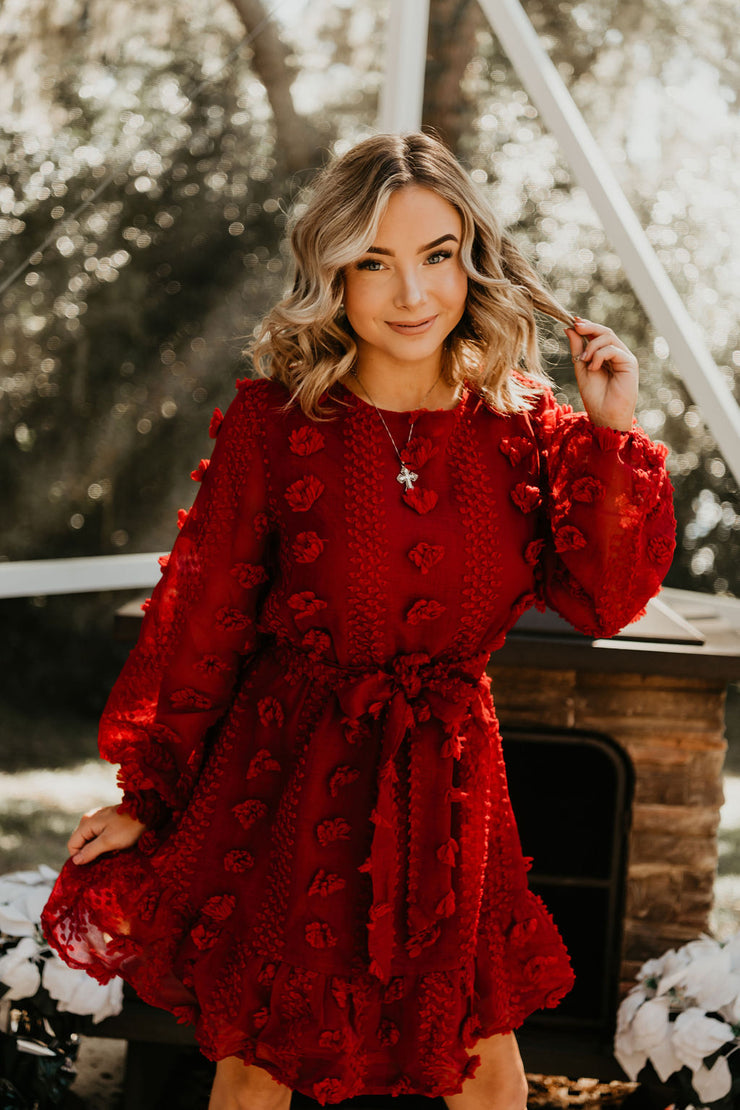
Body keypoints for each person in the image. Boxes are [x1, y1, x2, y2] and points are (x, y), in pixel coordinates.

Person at [42, 132, 676, 1110]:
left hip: (454, 783)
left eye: (435, 256)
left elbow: (602, 596)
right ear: (330, 274)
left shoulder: (523, 429)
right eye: (373, 262)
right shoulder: (274, 422)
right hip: (291, 772)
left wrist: (609, 431)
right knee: (260, 1062)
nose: (410, 292)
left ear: (471, 259)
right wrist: (151, 792)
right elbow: (201, 621)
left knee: (485, 1063)